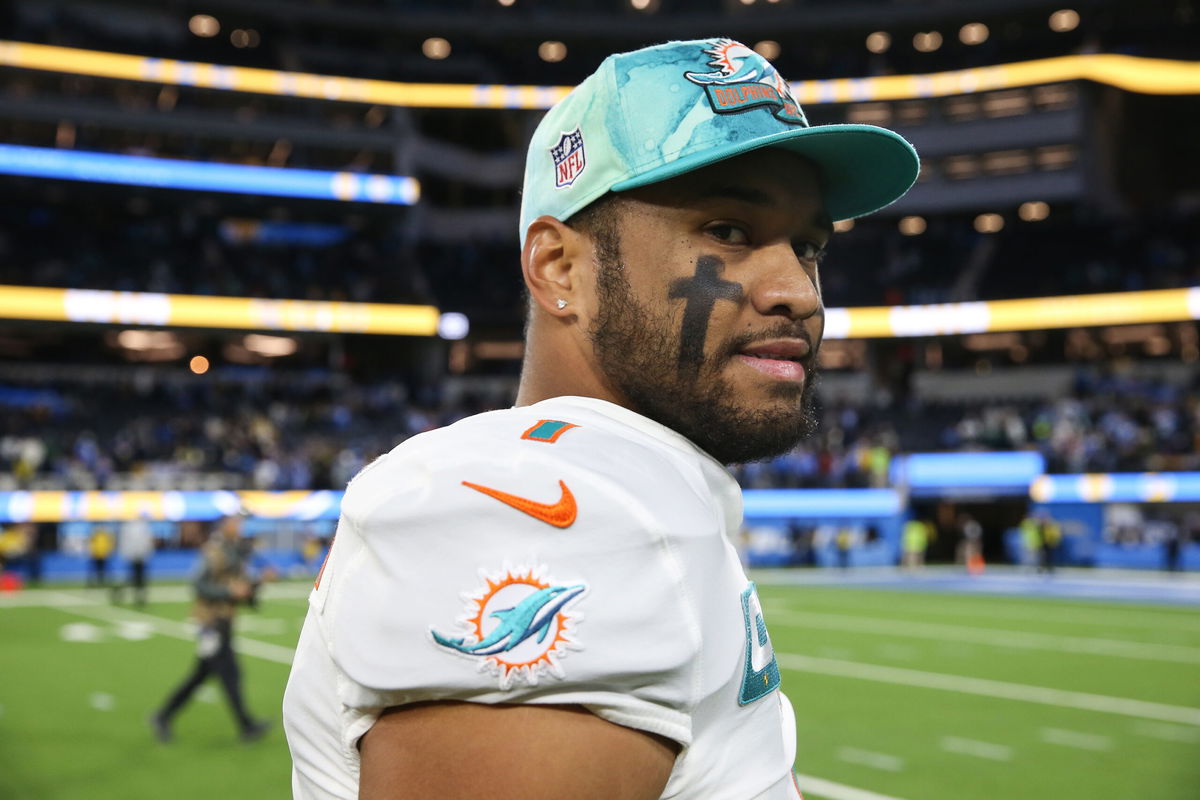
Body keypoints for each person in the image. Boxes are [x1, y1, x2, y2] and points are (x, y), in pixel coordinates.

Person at [284, 38, 918, 799]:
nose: (800, 291)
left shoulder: (620, 487)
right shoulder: (558, 512)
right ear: (560, 269)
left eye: (809, 246)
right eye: (729, 231)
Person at [150, 511, 270, 743]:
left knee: (204, 675)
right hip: (211, 622)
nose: (239, 527)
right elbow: (198, 584)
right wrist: (229, 592)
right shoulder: (214, 550)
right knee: (228, 674)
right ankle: (247, 726)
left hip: (224, 620)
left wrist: (258, 582)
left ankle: (163, 716)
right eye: (235, 523)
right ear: (224, 525)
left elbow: (240, 591)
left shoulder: (235, 550)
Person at [112, 512, 156, 606]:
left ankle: (137, 596)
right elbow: (143, 543)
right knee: (136, 578)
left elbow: (144, 543)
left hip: (137, 556)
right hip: (137, 556)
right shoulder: (139, 527)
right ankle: (124, 592)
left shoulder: (132, 527)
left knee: (137, 578)